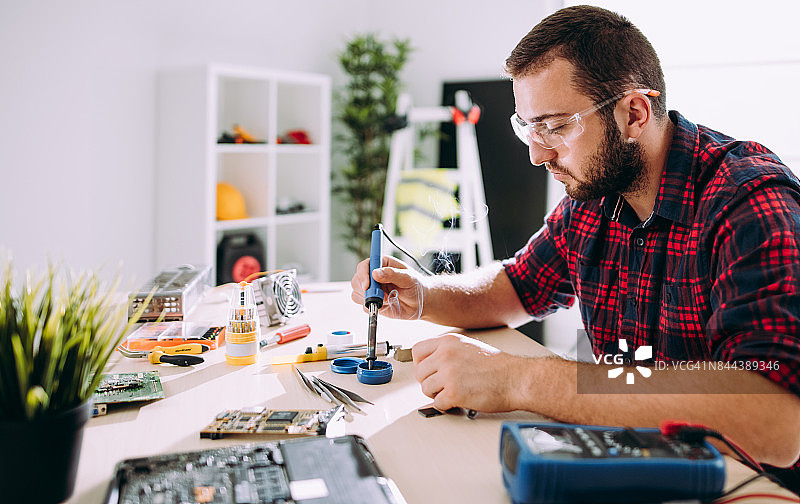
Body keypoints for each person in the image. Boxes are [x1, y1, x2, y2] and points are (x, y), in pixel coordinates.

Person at [350, 4, 800, 492]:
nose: (537, 154)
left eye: (557, 126)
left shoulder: (749, 204)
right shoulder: (593, 197)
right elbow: (515, 286)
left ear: (633, 113)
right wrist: (422, 294)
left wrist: (519, 380)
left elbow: (775, 419)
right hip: (638, 463)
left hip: (754, 487)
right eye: (529, 128)